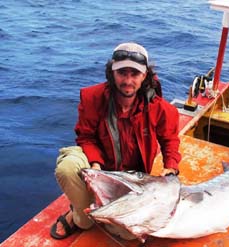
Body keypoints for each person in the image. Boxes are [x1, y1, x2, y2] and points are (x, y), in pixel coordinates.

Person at [50, 42, 181, 239]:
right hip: (100, 167)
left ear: (145, 75)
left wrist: (170, 166)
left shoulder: (161, 109)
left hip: (129, 179)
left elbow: (169, 140)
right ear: (112, 73)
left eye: (134, 74)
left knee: (127, 235)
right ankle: (79, 215)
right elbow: (86, 136)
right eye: (122, 73)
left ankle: (100, 210)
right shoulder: (92, 98)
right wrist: (95, 164)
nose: (128, 80)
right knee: (67, 168)